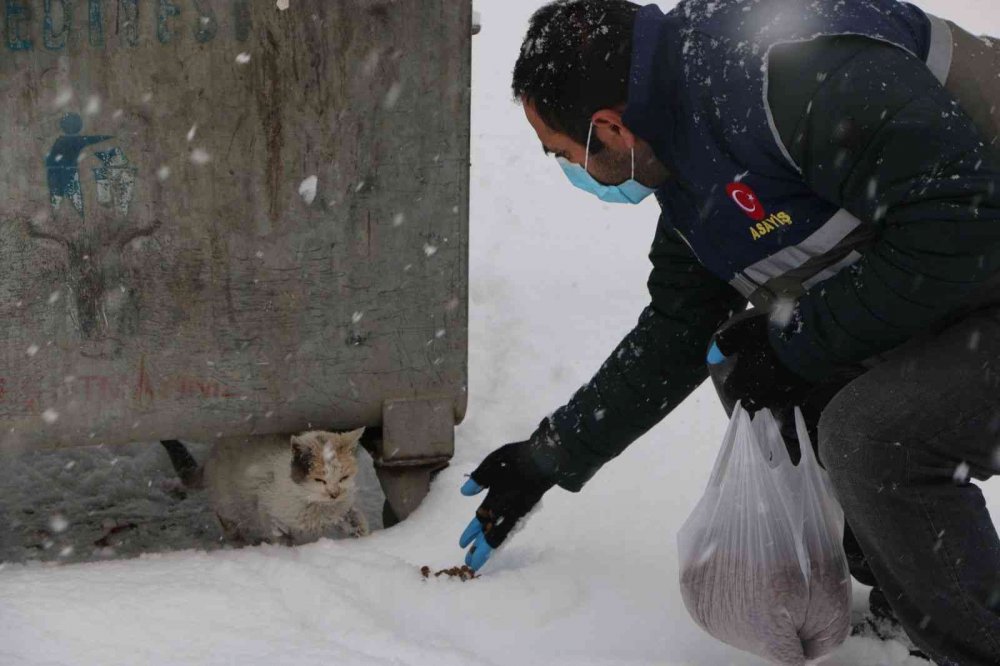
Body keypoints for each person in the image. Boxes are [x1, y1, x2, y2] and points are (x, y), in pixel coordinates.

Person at [458, 0, 1000, 663]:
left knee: (873, 435)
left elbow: (964, 225)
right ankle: (911, 584)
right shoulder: (689, 155)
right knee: (752, 360)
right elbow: (681, 330)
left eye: (562, 154)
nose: (567, 170)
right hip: (965, 271)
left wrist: (801, 341)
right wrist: (547, 457)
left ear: (610, 128)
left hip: (977, 242)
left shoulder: (792, 76)